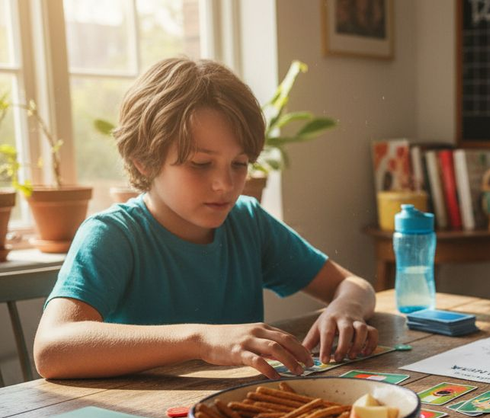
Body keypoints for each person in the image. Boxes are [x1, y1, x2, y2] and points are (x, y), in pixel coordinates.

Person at [33, 57, 377, 380]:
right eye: (200, 163)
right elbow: (51, 349)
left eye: (239, 164)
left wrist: (345, 307)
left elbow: (355, 286)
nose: (225, 184)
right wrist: (201, 340)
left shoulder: (248, 222)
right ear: (144, 160)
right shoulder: (113, 235)